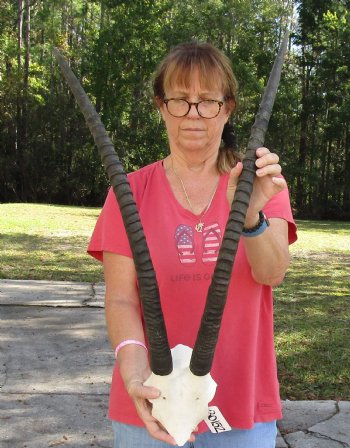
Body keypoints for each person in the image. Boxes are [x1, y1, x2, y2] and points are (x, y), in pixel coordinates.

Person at [88, 42, 297, 448]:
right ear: (160, 106)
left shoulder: (262, 183)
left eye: (208, 101)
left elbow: (272, 273)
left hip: (241, 406)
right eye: (180, 100)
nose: (194, 114)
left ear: (228, 107)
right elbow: (121, 300)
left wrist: (251, 215)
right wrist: (134, 374)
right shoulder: (128, 191)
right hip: (149, 402)